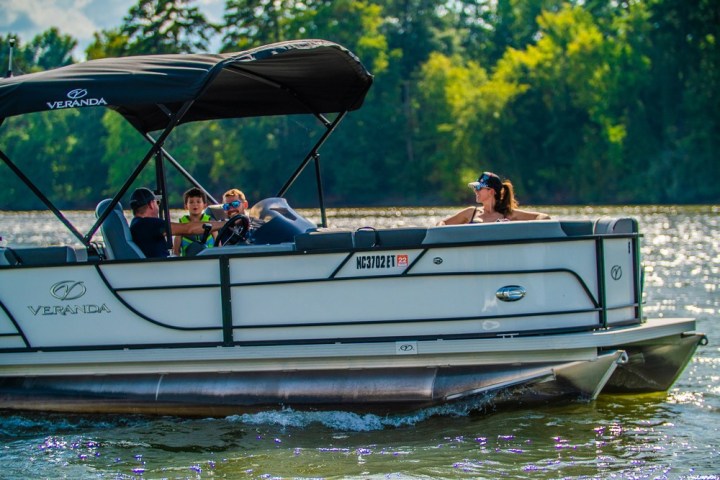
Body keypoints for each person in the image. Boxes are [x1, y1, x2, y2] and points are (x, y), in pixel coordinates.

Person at [129, 187, 223, 258]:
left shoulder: (136, 223)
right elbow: (188, 229)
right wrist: (225, 223)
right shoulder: (150, 224)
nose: (158, 206)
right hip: (163, 271)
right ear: (151, 204)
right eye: (157, 203)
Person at [438, 172, 550, 225]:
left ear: (491, 191)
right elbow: (442, 223)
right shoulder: (470, 213)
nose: (475, 190)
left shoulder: (509, 214)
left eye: (478, 187)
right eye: (475, 187)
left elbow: (544, 217)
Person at [172, 187, 216, 257]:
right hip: (189, 263)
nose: (195, 205)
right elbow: (176, 251)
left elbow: (219, 246)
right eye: (191, 202)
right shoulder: (181, 225)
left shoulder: (211, 223)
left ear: (205, 205)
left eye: (198, 202)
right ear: (186, 206)